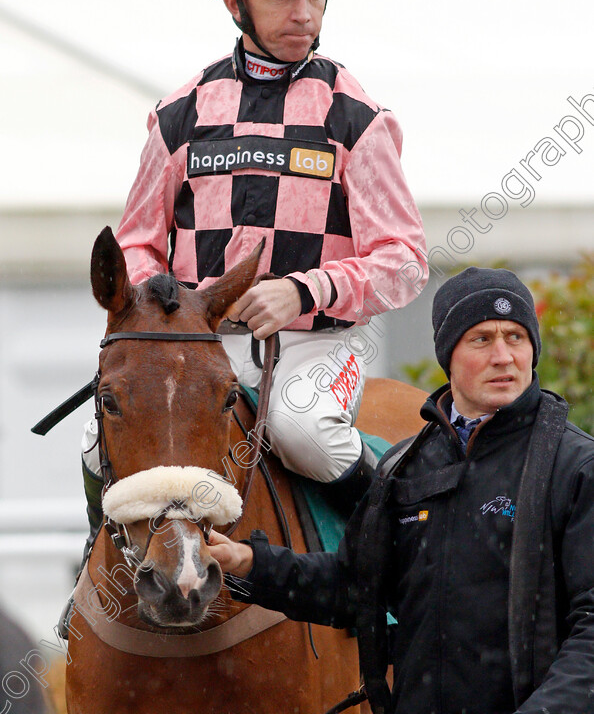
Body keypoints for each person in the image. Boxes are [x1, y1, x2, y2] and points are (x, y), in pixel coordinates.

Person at [102, 0, 427, 505]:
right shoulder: (181, 114)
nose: (304, 13)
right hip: (195, 347)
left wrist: (302, 290)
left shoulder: (357, 118)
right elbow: (134, 245)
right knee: (104, 440)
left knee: (301, 430)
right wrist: (168, 309)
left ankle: (388, 560)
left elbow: (405, 262)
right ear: (235, 3)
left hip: (318, 345)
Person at [209, 267, 594, 714]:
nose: (504, 356)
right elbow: (356, 589)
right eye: (482, 339)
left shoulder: (577, 467)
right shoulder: (404, 466)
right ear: (448, 355)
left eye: (516, 337)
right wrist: (252, 567)